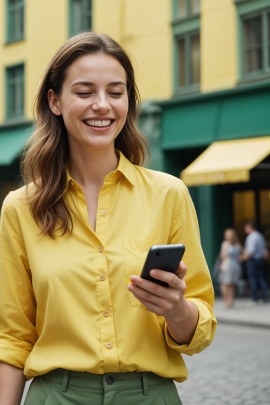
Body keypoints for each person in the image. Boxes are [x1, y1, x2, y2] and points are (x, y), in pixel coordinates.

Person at [0, 32, 216, 405]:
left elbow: (201, 325)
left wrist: (177, 309)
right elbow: (13, 337)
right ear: (55, 101)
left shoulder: (169, 194)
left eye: (116, 93)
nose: (102, 105)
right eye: (85, 92)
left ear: (128, 103)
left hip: (151, 395)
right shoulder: (21, 207)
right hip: (56, 395)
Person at [240, 221, 268, 304]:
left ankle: (255, 298)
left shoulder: (251, 237)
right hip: (260, 260)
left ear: (249, 228)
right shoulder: (260, 236)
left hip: (252, 261)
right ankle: (264, 298)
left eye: (246, 228)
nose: (245, 230)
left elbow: (250, 251)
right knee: (261, 278)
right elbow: (264, 251)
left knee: (253, 279)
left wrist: (242, 258)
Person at [218, 228, 242, 308]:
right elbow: (240, 256)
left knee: (224, 284)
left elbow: (223, 256)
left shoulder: (225, 244)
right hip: (236, 266)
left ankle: (226, 302)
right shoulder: (237, 244)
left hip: (227, 266)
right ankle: (231, 301)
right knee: (231, 285)